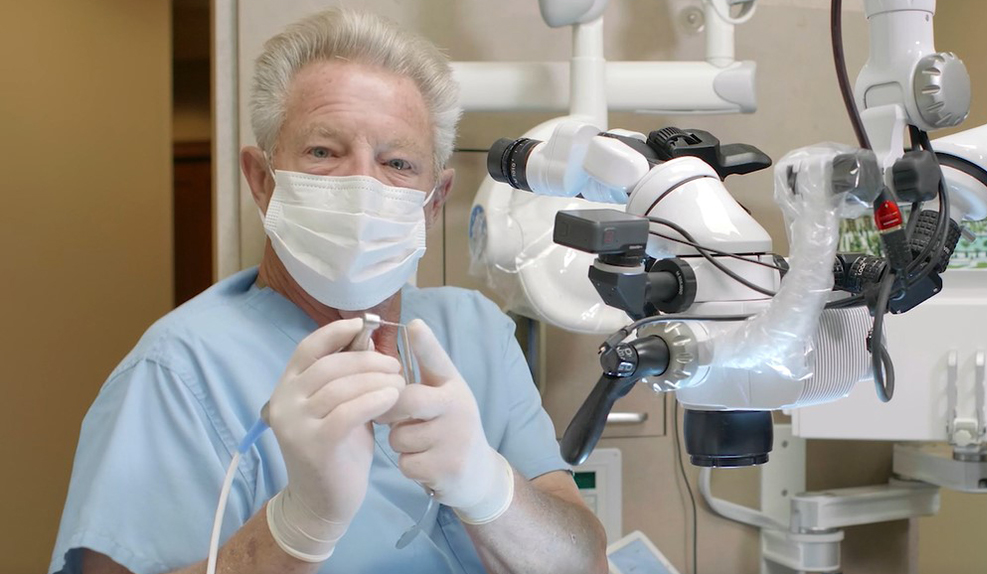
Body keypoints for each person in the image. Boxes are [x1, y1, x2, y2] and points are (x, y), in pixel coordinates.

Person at [48, 8, 608, 574]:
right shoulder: (180, 372)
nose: (361, 183)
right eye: (323, 152)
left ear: (434, 202)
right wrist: (297, 526)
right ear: (262, 181)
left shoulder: (474, 333)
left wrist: (489, 488)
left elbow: (583, 562)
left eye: (397, 163)